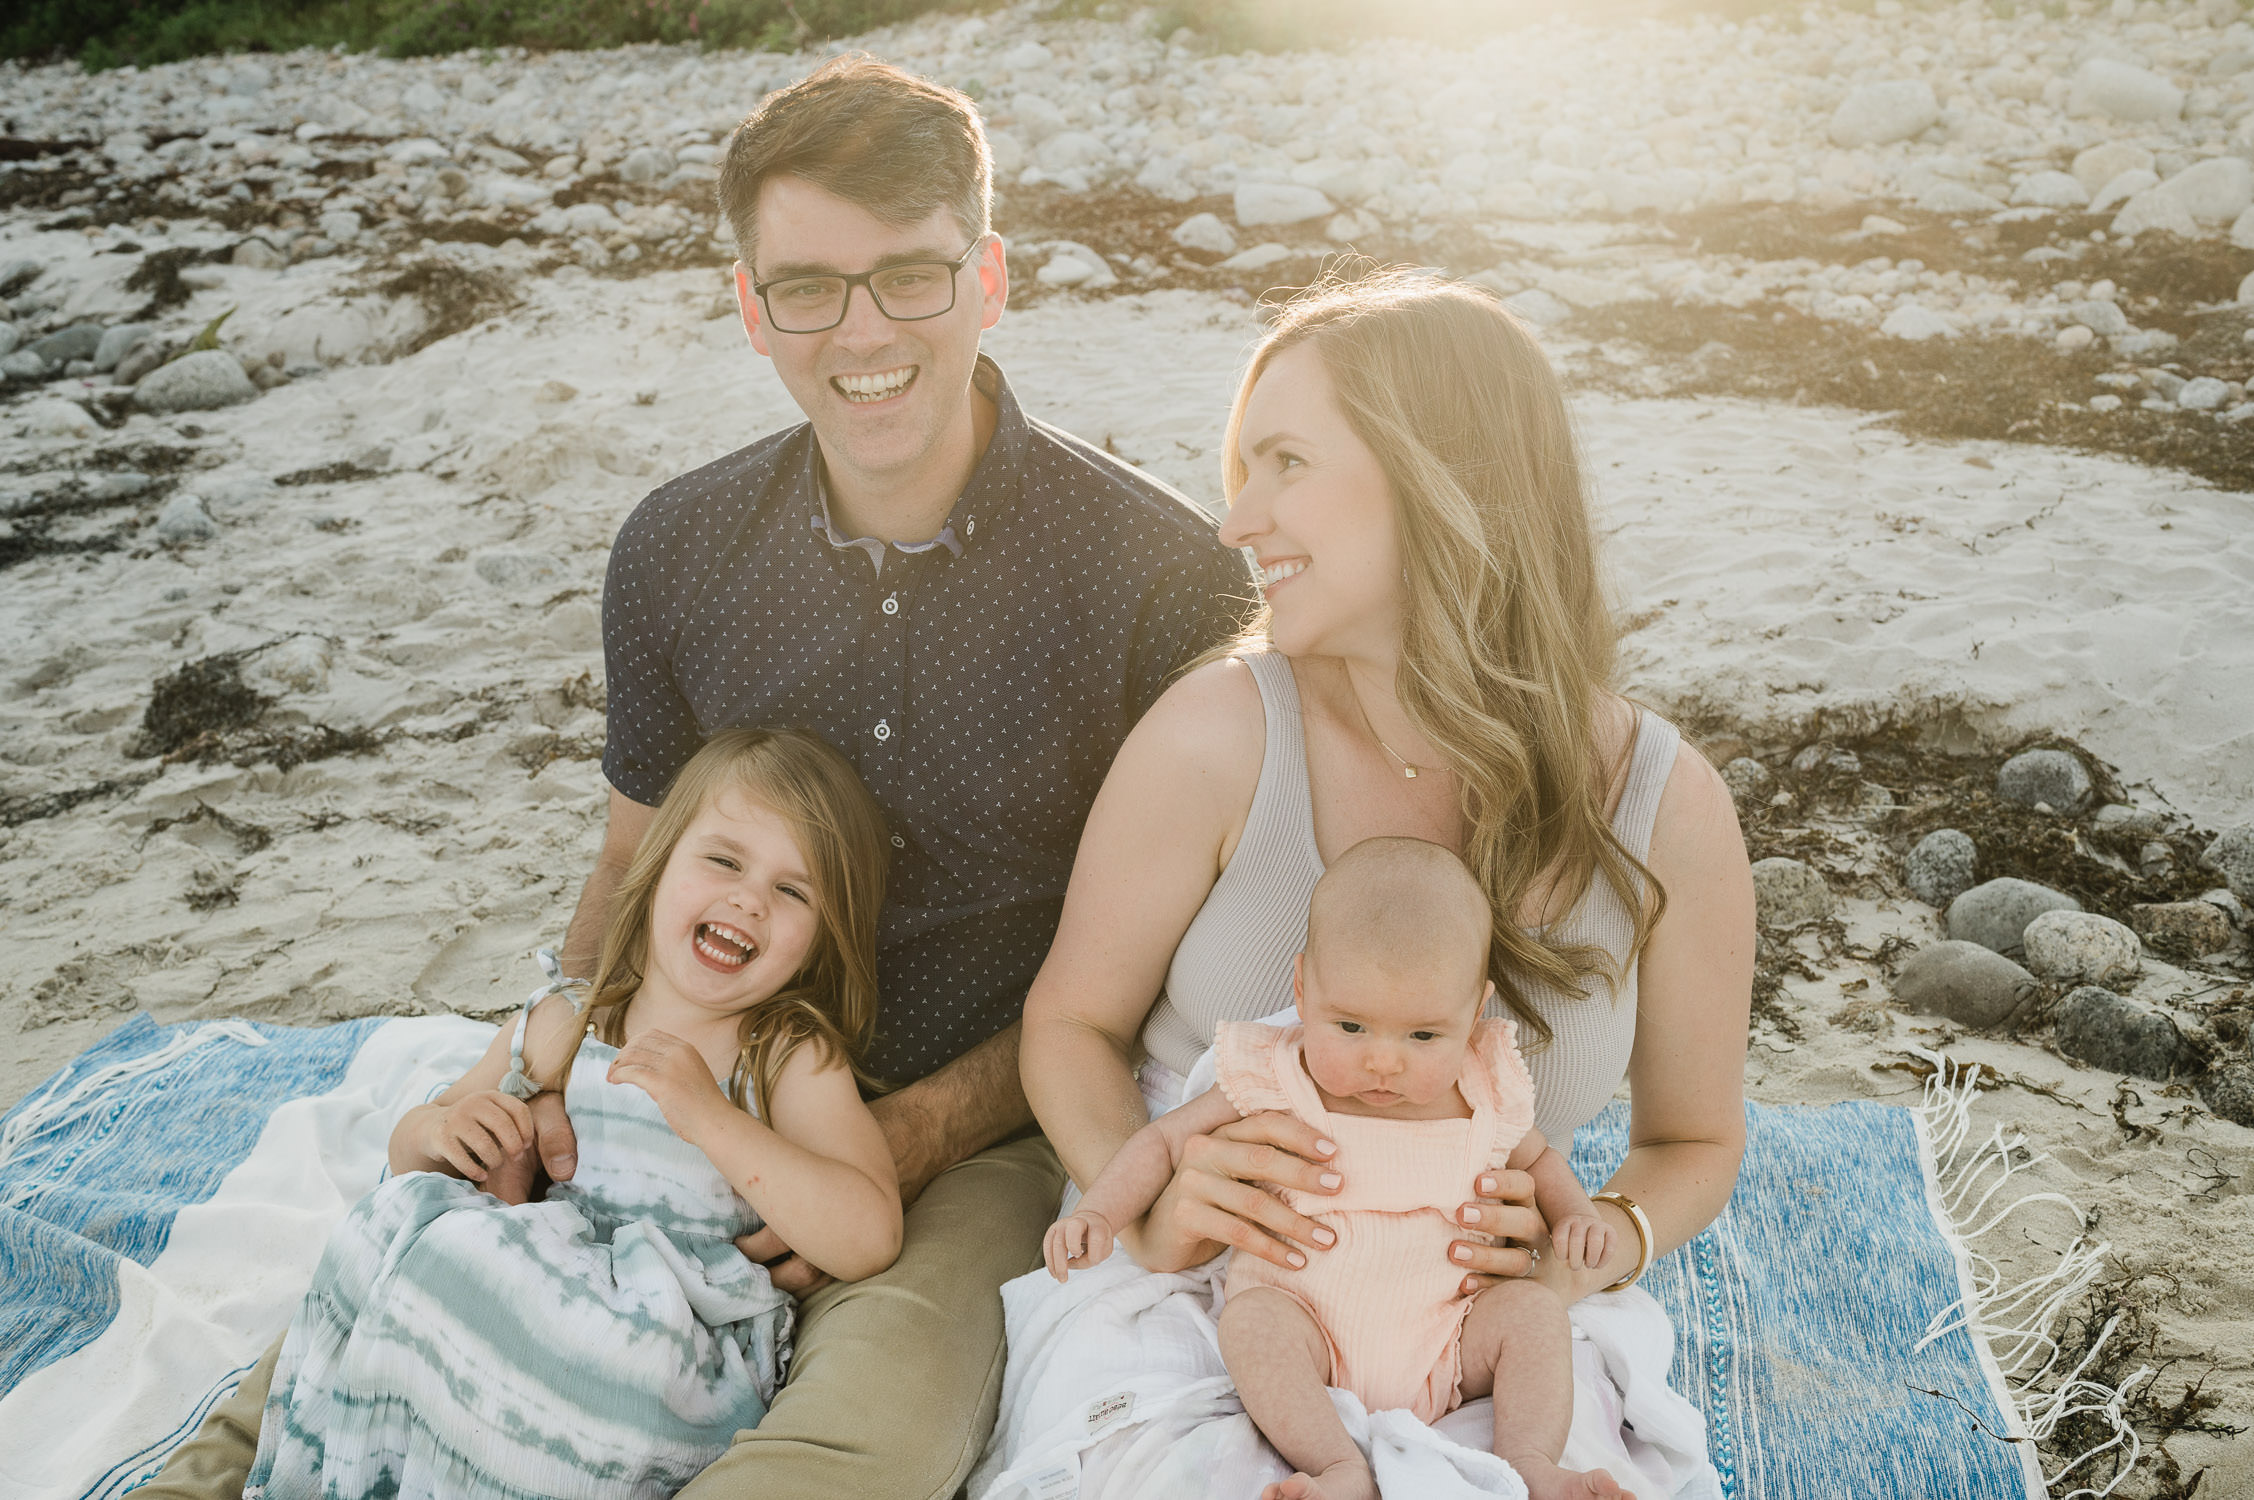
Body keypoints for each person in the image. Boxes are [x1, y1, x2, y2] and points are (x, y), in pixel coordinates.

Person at [144, 55, 1250, 1500]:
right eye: (805, 286)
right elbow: (628, 865)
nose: (860, 331)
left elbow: (1146, 960)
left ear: (987, 279)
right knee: (405, 1280)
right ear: (748, 305)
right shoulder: (674, 550)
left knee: (883, 1437)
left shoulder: (1156, 576)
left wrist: (914, 1134)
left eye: (908, 277)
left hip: (974, 1114)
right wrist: (537, 1072)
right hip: (679, 1066)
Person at [1013, 267, 1755, 1487]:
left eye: (1286, 464)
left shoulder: (1663, 805)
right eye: (1239, 471)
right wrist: (1147, 1198)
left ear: (1441, 480)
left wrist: (1604, 1238)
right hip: (1216, 1295)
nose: (1234, 521)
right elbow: (1068, 1022)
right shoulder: (1214, 736)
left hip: (1482, 1327)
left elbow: (1692, 1137)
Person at [246, 728, 903, 1497]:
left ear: (821, 940)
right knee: (412, 1236)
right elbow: (414, 1148)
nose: (749, 900)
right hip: (542, 1277)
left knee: (567, 1352)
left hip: (664, 1340)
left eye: (794, 891)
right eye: (723, 860)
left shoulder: (785, 1055)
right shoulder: (572, 1021)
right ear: (657, 870)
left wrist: (713, 1118)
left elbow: (870, 1233)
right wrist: (444, 1130)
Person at [1043, 838, 1625, 1500]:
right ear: (1301, 987)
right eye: (1350, 1026)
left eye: (1423, 1036)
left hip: (1453, 1336)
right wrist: (1100, 1211)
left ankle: (1531, 1464)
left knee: (1534, 1314)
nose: (1384, 1061)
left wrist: (1576, 1216)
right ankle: (1337, 1467)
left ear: (1476, 1010)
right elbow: (1162, 1144)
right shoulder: (1273, 1077)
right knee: (1252, 1323)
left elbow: (1542, 1162)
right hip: (1307, 1325)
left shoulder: (1488, 1089)